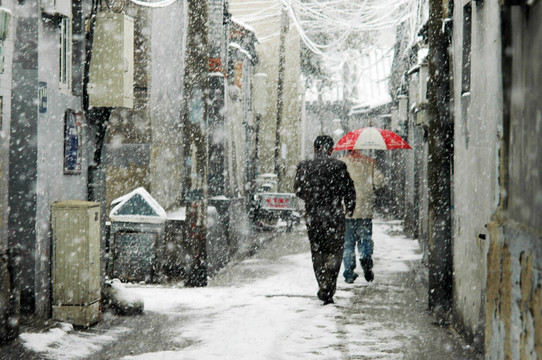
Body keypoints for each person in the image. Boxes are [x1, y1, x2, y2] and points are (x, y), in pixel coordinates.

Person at [294, 135, 356, 305]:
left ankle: (322, 281)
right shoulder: (339, 166)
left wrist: (312, 198)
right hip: (334, 215)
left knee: (318, 250)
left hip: (313, 216)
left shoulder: (304, 166)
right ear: (331, 150)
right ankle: (329, 283)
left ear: (314, 149)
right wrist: (349, 207)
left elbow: (298, 190)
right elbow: (349, 190)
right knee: (335, 250)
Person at [339, 149, 385, 283]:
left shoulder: (342, 162)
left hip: (347, 208)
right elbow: (379, 182)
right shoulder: (369, 162)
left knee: (348, 243)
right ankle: (366, 257)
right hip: (364, 208)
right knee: (365, 238)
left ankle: (348, 273)